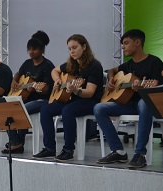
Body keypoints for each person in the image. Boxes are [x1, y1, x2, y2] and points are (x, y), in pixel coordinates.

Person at [94, 29, 163, 168]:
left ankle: (140, 154)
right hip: (129, 104)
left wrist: (145, 88)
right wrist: (111, 78)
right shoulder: (128, 64)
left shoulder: (154, 62)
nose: (122, 47)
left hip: (148, 106)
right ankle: (118, 151)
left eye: (126, 43)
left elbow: (158, 87)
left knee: (144, 103)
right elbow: (112, 70)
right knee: (99, 108)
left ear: (137, 42)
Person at [33, 34, 104, 161]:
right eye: (69, 49)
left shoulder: (94, 66)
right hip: (73, 99)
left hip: (90, 101)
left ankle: (68, 149)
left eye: (74, 47)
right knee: (45, 110)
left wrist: (76, 90)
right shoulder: (72, 64)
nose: (72, 51)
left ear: (84, 47)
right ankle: (49, 148)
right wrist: (58, 80)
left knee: (68, 111)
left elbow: (90, 92)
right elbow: (54, 71)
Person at [2, 30, 55, 154]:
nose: (31, 52)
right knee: (4, 109)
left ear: (42, 50)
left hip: (42, 100)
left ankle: (16, 143)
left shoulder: (48, 66)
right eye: (29, 49)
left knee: (19, 110)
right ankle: (16, 142)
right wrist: (14, 81)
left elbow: (47, 89)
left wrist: (36, 88)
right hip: (25, 99)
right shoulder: (27, 63)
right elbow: (18, 74)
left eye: (34, 49)